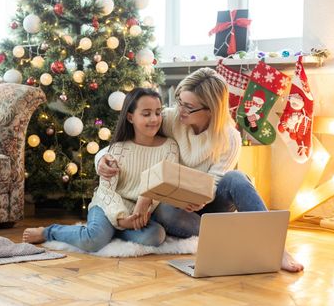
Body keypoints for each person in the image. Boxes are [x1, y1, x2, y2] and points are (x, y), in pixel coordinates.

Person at [96, 68, 304, 272]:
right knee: (164, 209)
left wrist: (198, 197)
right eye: (180, 101)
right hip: (174, 206)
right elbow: (131, 140)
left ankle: (277, 249)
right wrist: (101, 158)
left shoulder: (229, 137)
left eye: (188, 106)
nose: (180, 110)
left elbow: (215, 181)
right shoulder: (170, 119)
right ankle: (230, 238)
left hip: (208, 202)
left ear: (211, 109)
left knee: (237, 178)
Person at [23, 88, 180, 252]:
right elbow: (106, 192)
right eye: (146, 114)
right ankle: (49, 232)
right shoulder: (117, 151)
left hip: (139, 212)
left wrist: (138, 211)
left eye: (158, 112)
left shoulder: (169, 148)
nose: (154, 119)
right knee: (94, 240)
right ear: (130, 117)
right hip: (107, 206)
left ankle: (112, 232)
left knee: (155, 236)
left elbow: (163, 185)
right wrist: (121, 219)